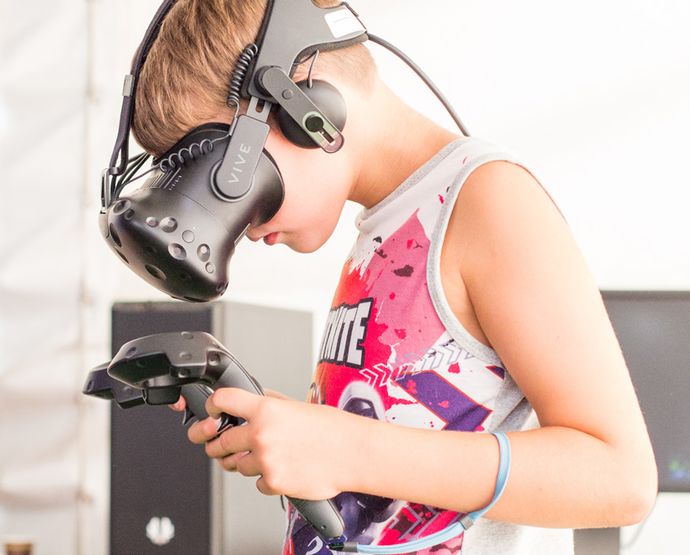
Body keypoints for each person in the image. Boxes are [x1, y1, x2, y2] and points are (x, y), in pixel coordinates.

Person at [131, 0, 658, 552]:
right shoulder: (386, 223)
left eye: (223, 180)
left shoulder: (488, 202)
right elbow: (394, 432)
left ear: (305, 109)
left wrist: (345, 449)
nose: (232, 224)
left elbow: (618, 477)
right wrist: (287, 431)